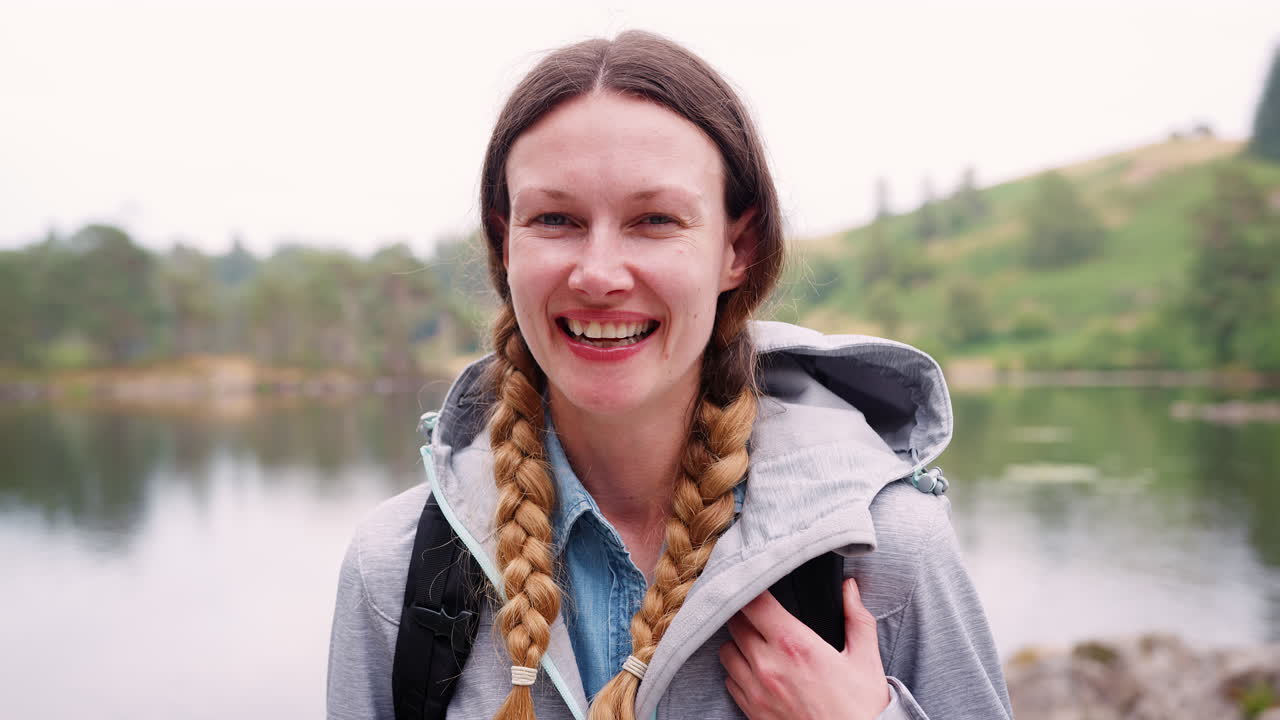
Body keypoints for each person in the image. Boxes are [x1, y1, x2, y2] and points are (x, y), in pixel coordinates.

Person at [327, 30, 1012, 720]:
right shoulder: (395, 572)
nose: (597, 274)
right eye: (556, 218)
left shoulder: (883, 551)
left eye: (655, 220)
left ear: (737, 249)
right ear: (506, 245)